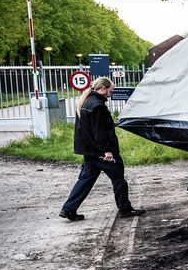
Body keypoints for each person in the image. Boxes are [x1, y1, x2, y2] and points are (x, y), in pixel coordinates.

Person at [59, 76, 144, 221]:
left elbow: (93, 127)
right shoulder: (98, 106)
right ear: (103, 89)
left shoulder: (86, 101)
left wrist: (112, 123)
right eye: (110, 92)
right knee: (119, 180)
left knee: (85, 181)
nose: (111, 95)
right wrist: (107, 151)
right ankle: (125, 209)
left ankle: (68, 209)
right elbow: (99, 131)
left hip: (89, 151)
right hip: (100, 152)